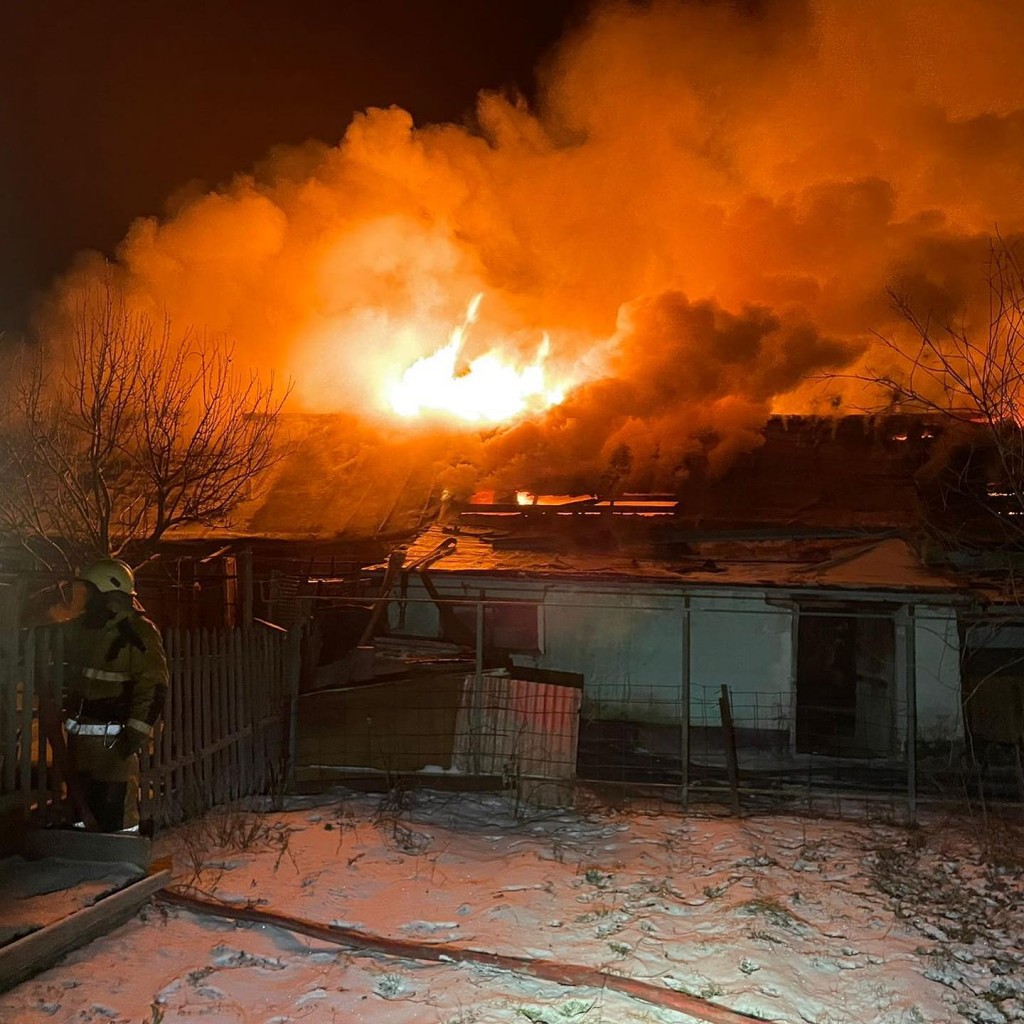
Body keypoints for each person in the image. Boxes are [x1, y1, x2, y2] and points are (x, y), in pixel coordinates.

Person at [62, 558, 168, 833]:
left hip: (114, 743)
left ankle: (123, 865)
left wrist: (134, 735)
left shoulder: (138, 632)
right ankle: (82, 863)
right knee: (80, 814)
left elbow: (153, 686)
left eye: (88, 593)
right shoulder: (82, 629)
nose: (82, 600)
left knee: (117, 814)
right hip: (79, 744)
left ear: (107, 594)